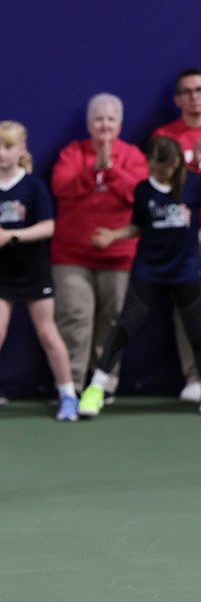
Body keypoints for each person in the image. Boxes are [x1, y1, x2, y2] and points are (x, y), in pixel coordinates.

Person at [0, 121, 78, 424]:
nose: (1, 154)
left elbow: (48, 227)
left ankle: (68, 395)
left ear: (21, 149)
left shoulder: (33, 185)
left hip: (34, 269)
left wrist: (12, 236)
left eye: (8, 147)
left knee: (47, 332)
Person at [78, 137, 201, 415]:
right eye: (151, 167)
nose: (155, 173)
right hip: (148, 268)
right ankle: (96, 389)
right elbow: (138, 226)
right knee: (124, 326)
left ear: (176, 163)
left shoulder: (194, 185)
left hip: (186, 270)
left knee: (197, 331)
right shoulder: (143, 190)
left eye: (161, 169)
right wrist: (113, 235)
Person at [50, 93, 148, 401]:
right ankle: (72, 385)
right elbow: (61, 187)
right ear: (88, 124)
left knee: (114, 320)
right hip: (71, 255)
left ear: (119, 124)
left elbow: (141, 195)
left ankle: (103, 385)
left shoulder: (132, 155)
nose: (104, 125)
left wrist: (112, 170)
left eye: (110, 119)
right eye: (98, 119)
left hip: (119, 256)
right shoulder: (72, 153)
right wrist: (93, 168)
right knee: (74, 319)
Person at [152, 68, 201, 402]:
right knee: (191, 306)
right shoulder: (165, 136)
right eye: (187, 91)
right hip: (185, 234)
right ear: (176, 99)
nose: (194, 97)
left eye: (199, 90)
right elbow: (159, 187)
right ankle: (195, 376)